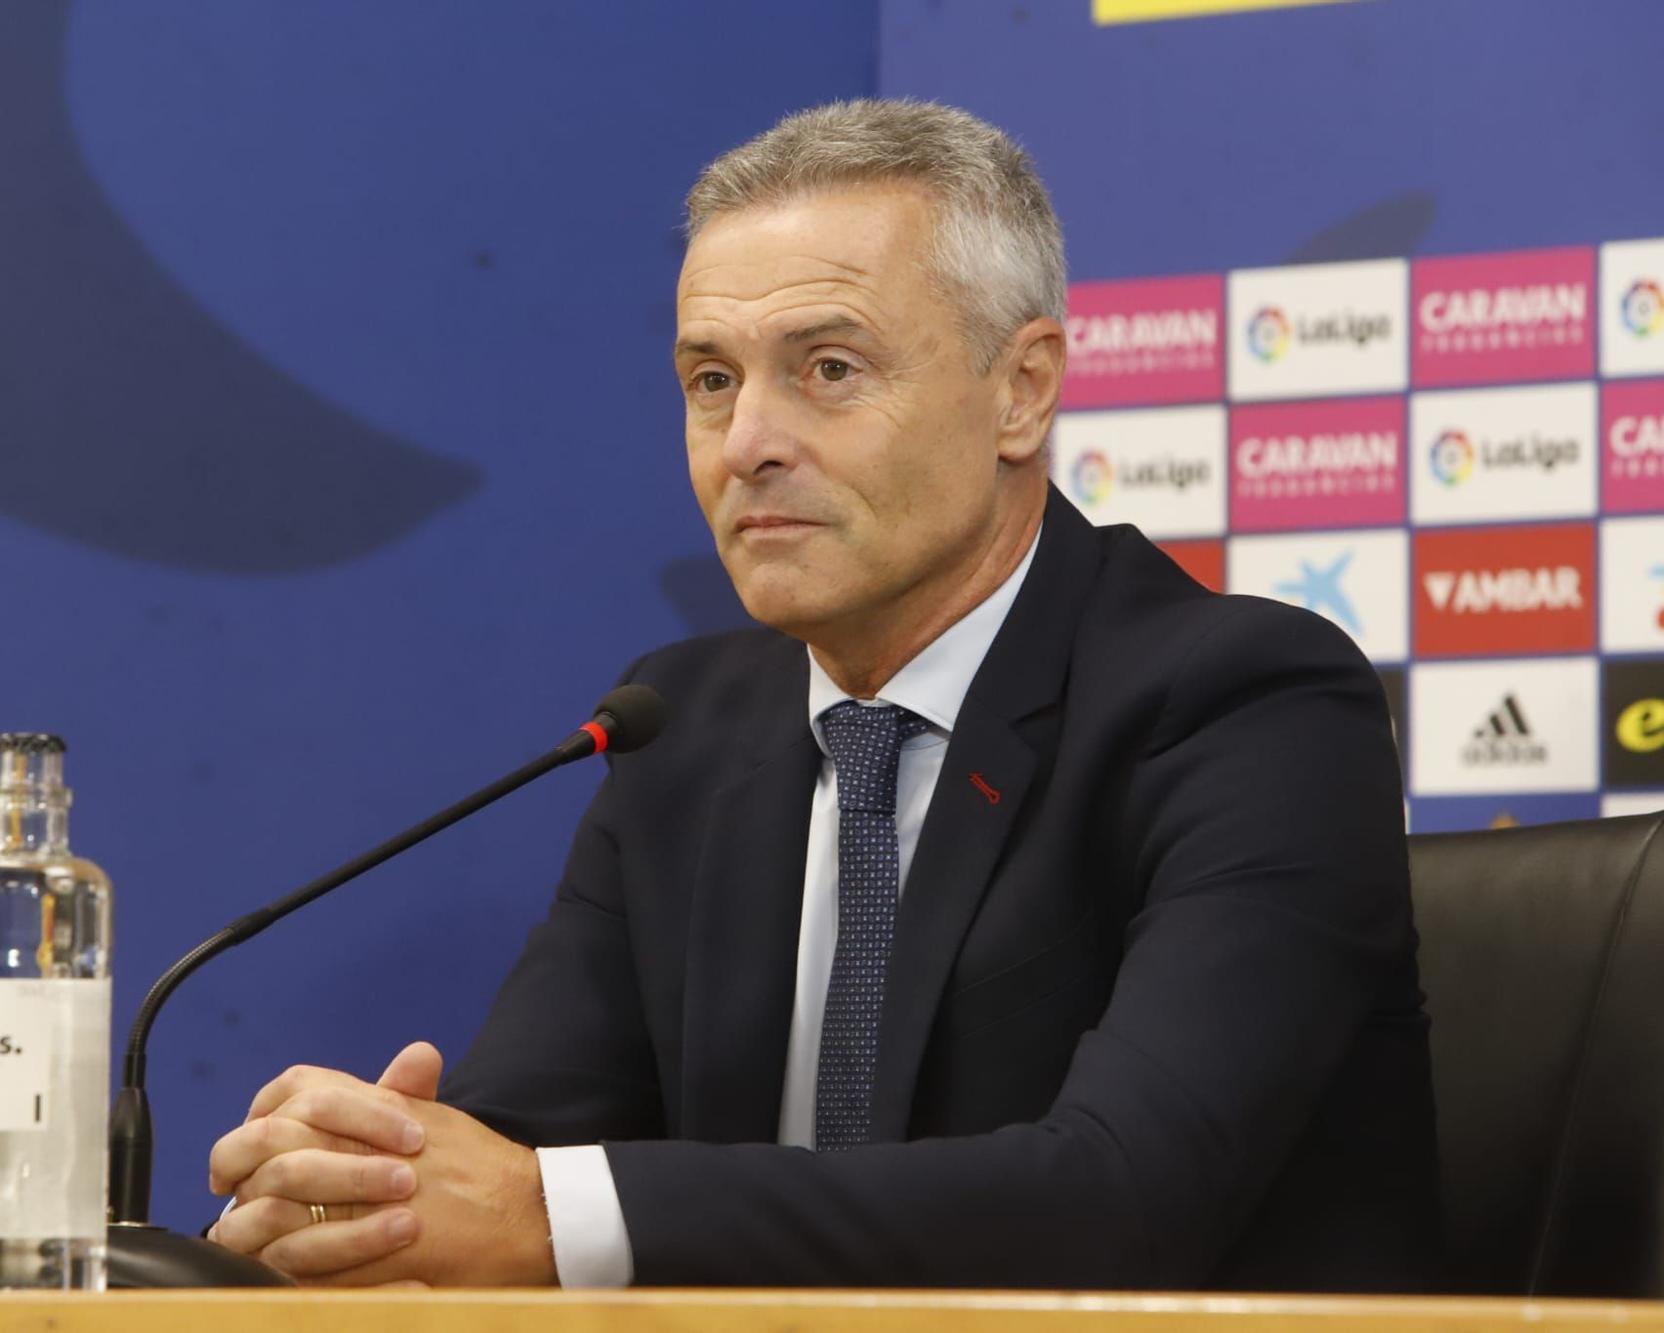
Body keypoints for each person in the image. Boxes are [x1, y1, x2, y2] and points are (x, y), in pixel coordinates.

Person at [205, 99, 1441, 1291]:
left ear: (1020, 390)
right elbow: (514, 1154)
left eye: (828, 367)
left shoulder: (1243, 705)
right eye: (708, 380)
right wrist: (371, 1193)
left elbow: (1117, 1203)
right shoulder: (678, 728)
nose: (747, 441)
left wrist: (545, 1210)